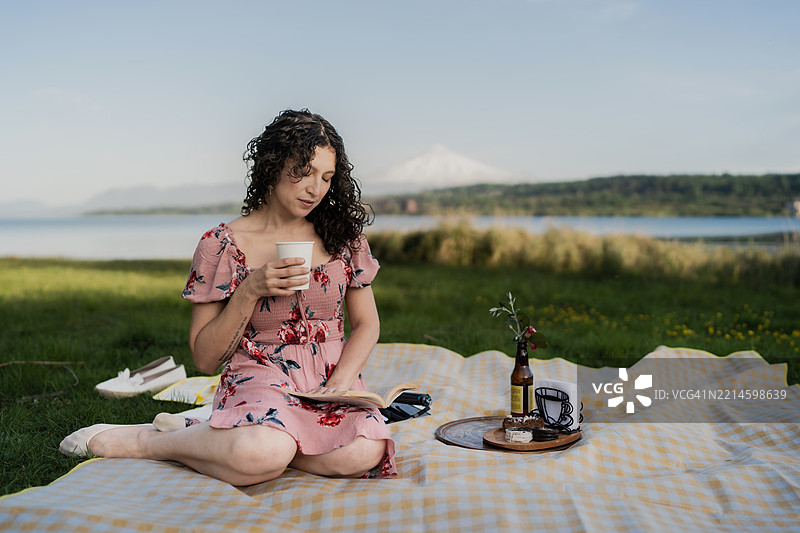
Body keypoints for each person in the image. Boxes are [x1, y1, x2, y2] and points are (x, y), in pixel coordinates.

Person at [60, 109, 396, 484]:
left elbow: (367, 324)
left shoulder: (345, 239)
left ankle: (228, 438)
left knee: (365, 451)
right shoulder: (221, 244)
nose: (315, 188)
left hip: (330, 378)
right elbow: (204, 358)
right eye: (303, 172)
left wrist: (342, 381)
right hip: (261, 374)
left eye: (326, 177)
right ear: (271, 166)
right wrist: (251, 289)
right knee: (264, 451)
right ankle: (148, 442)